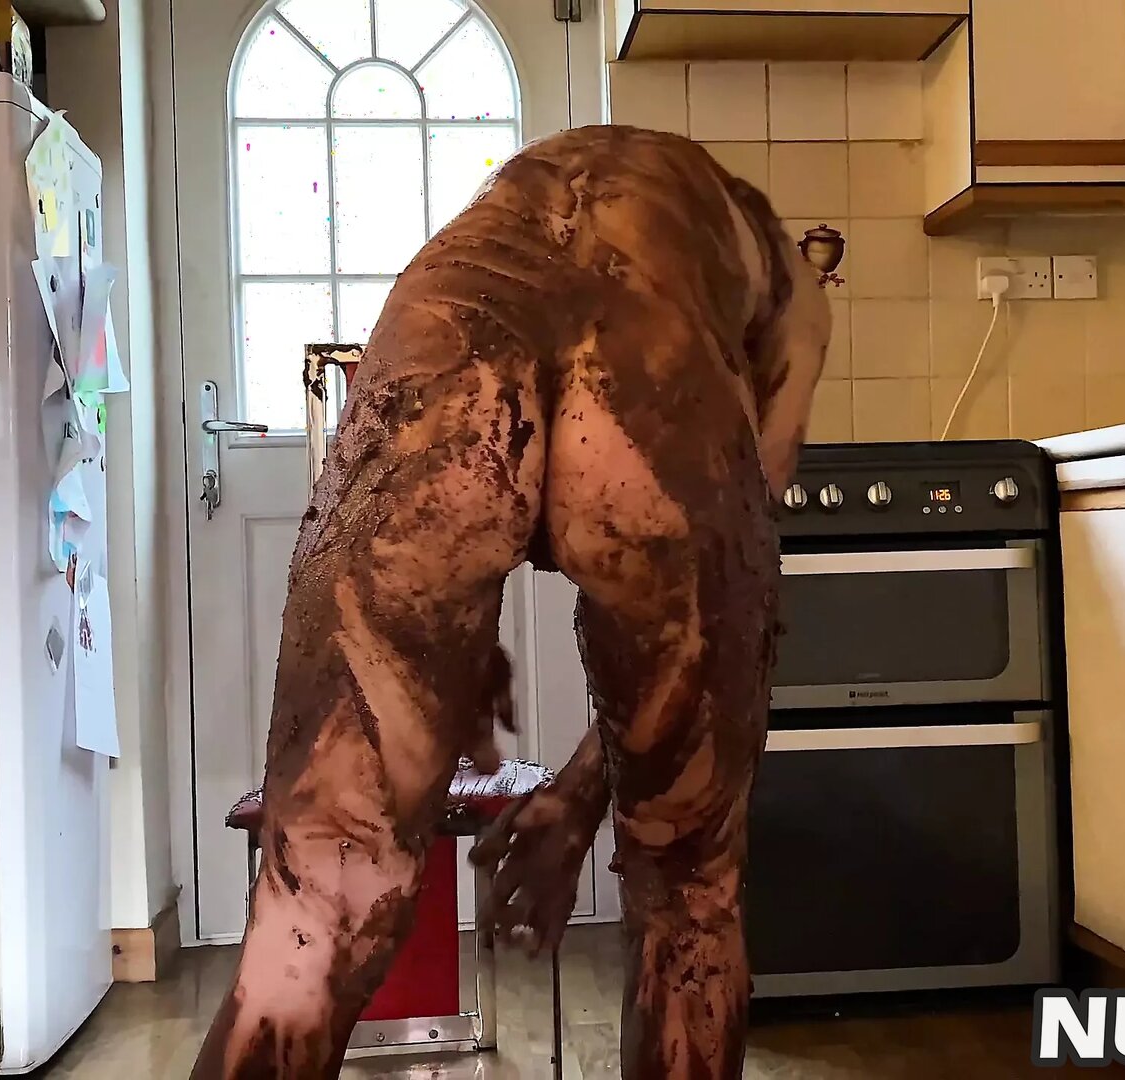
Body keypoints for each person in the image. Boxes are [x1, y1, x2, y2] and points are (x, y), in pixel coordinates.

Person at [191, 123, 833, 1080]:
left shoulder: (529, 202)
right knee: (691, 897)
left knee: (314, 899)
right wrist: (581, 797)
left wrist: (456, 640)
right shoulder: (786, 284)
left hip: (452, 349)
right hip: (654, 380)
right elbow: (704, 620)